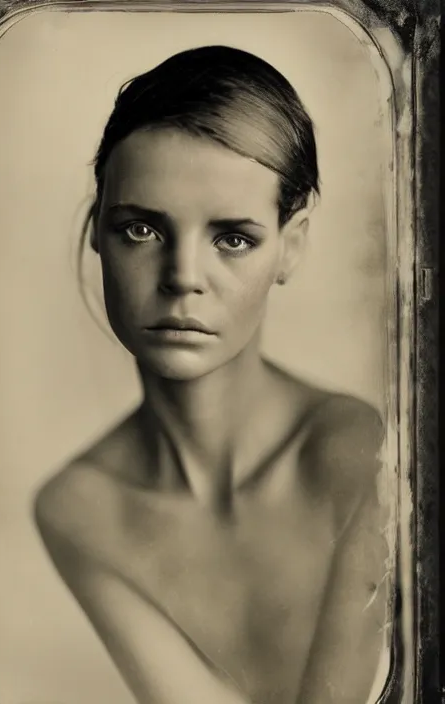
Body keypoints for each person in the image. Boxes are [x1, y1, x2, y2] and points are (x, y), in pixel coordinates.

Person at [34, 45, 394, 704]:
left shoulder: (366, 452)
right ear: (96, 231)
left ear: (293, 244)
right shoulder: (77, 507)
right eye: (141, 229)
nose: (183, 280)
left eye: (233, 238)